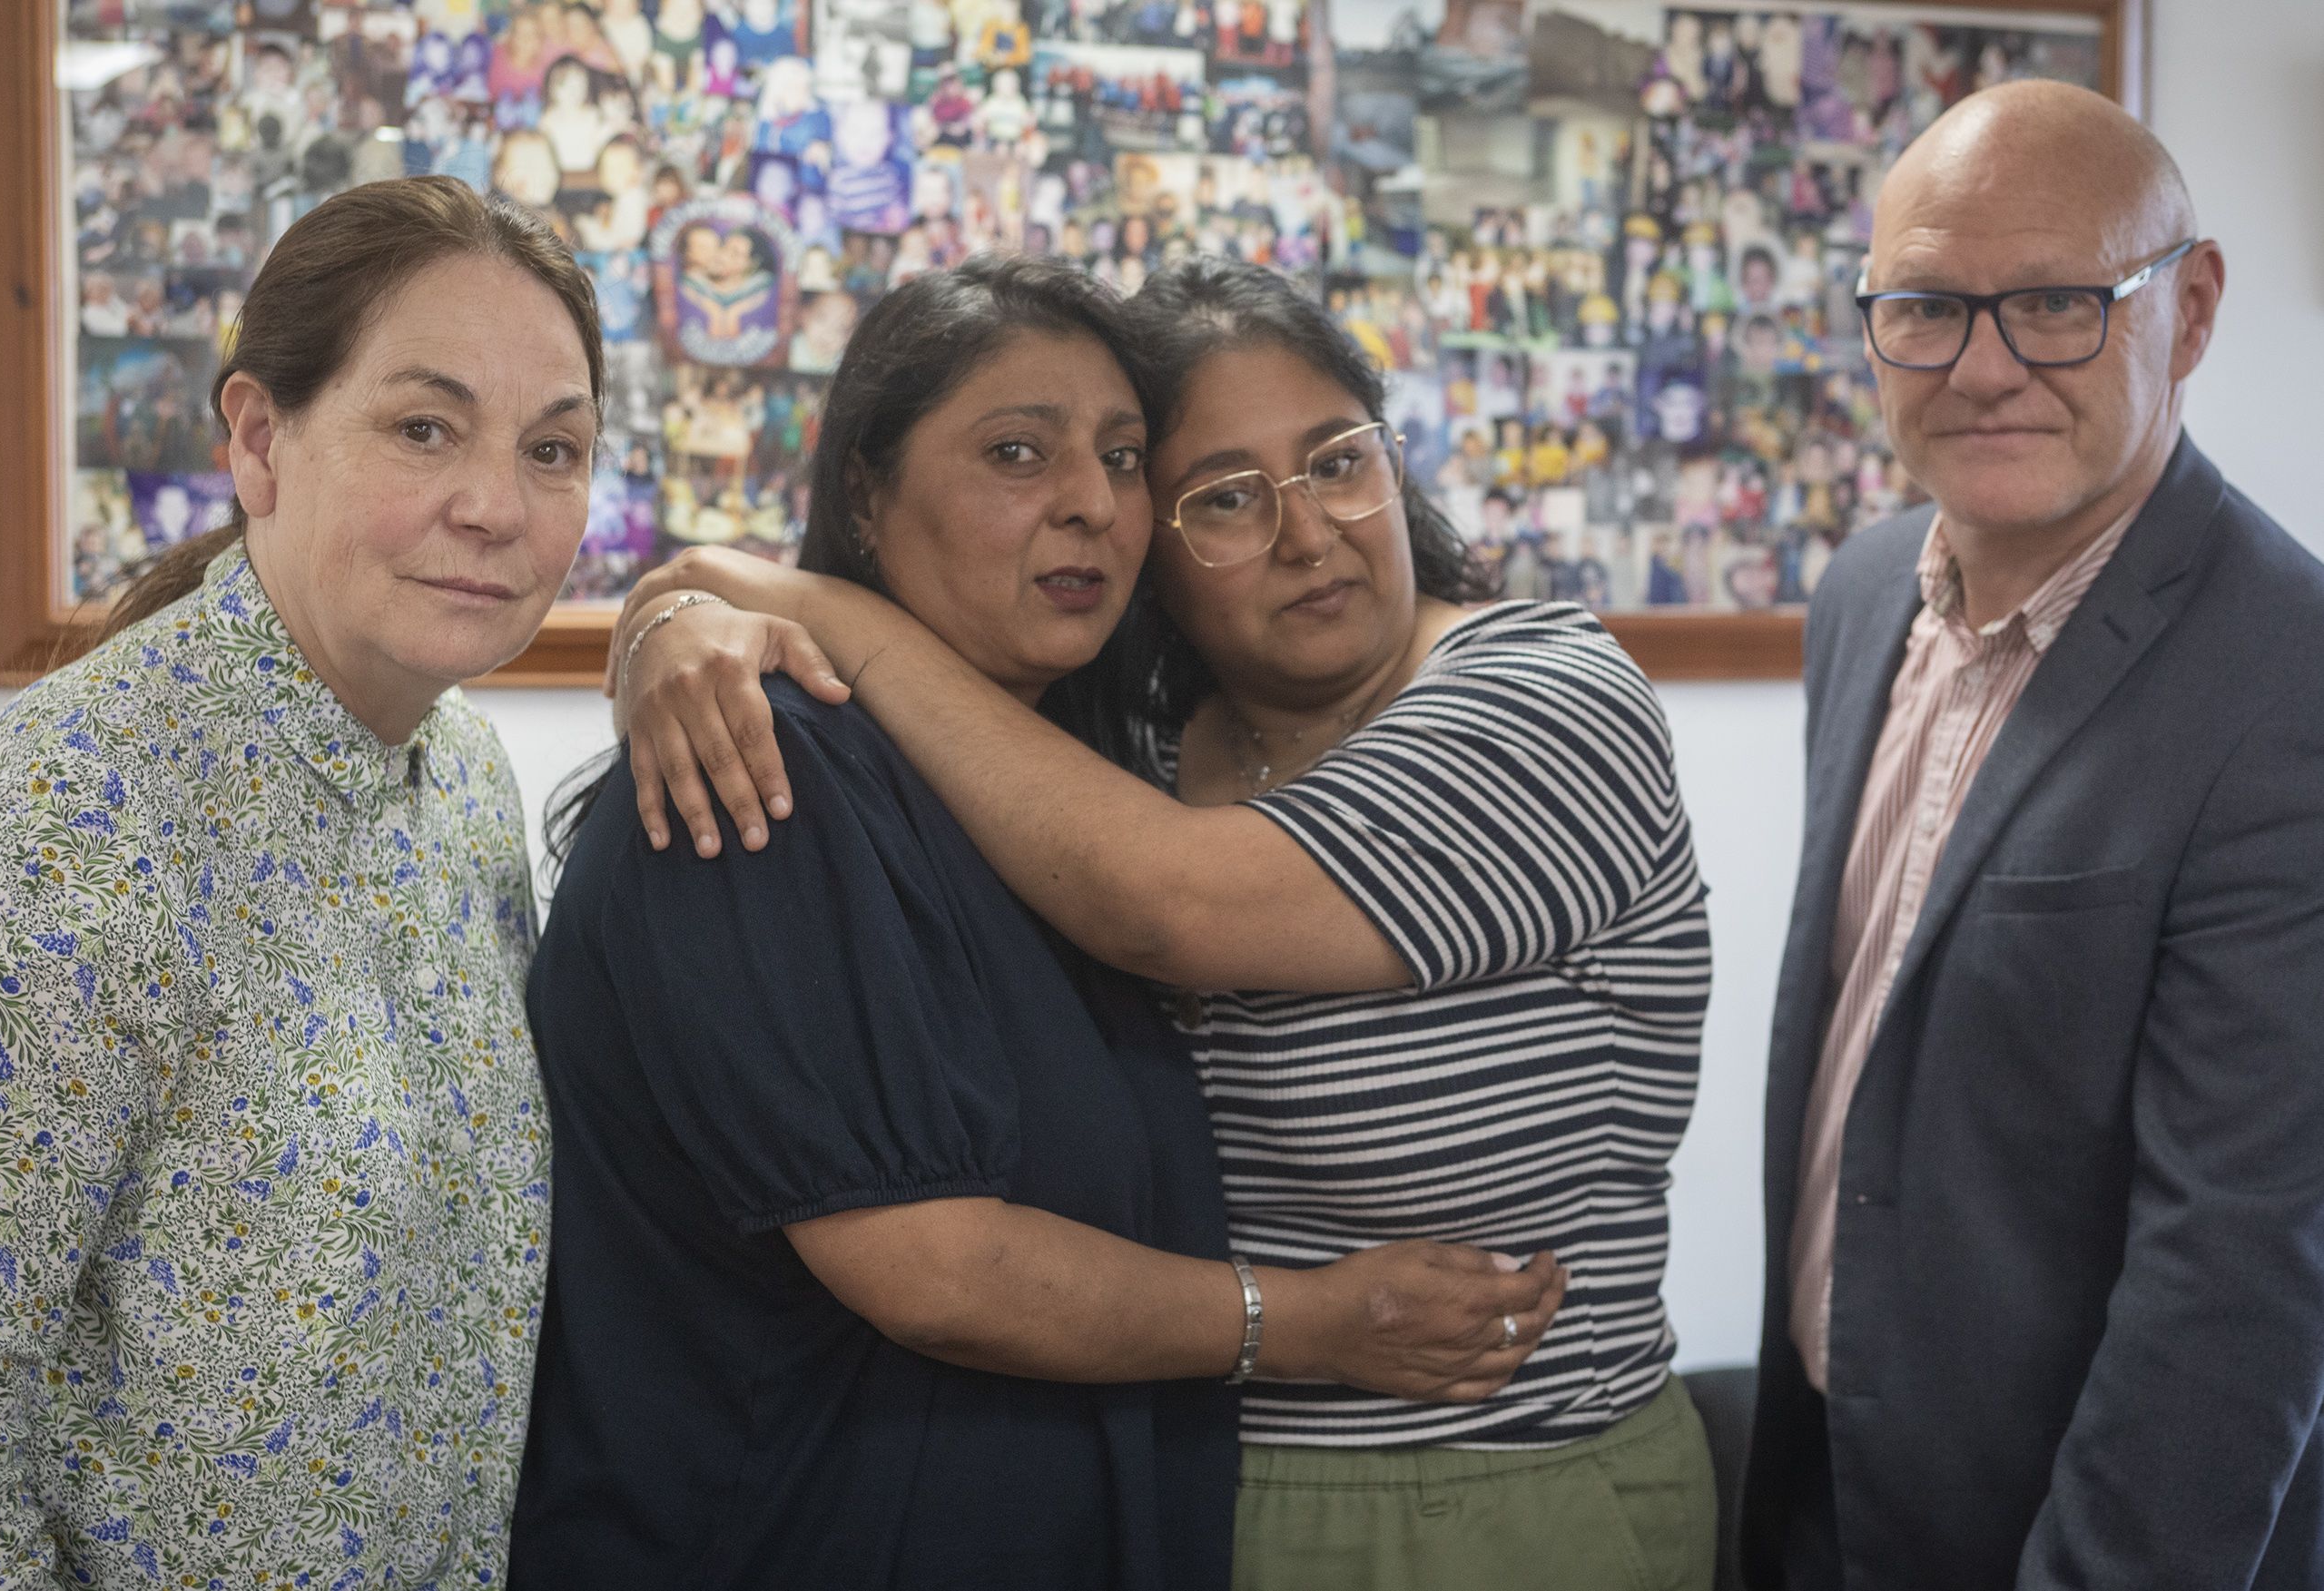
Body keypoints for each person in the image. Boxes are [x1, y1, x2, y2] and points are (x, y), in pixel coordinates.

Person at [606, 256, 1718, 1591]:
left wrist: (800, 597)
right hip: (1189, 1476)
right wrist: (675, 611)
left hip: (1502, 1479)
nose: (1308, 534)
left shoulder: (1546, 698)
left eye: (1339, 461)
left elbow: (1165, 903)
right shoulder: (1105, 752)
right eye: (1226, 498)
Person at [0, 177, 602, 1588]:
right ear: (260, 439)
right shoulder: (66, 820)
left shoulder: (462, 779)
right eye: (423, 428)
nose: (496, 505)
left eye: (554, 449)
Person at [1738, 82, 2324, 1589]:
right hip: (1820, 1486)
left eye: (2060, 301)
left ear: (2187, 314)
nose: (1985, 366)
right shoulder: (1865, 593)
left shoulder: (2289, 679)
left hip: (2061, 1534)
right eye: (1928, 304)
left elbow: (2243, 1276)